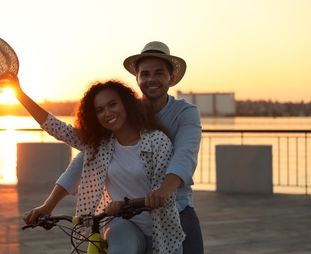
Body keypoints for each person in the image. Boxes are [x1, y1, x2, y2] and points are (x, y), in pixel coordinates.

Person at [24, 41, 204, 254]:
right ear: (137, 79)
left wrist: (163, 192)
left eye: (159, 73)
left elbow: (185, 154)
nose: (151, 79)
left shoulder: (182, 116)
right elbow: (85, 156)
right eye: (145, 74)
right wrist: (48, 205)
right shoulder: (124, 115)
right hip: (124, 217)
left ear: (171, 77)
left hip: (174, 207)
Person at [8, 76, 184, 254]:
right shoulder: (100, 145)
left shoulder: (157, 140)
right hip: (123, 224)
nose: (107, 113)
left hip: (163, 231)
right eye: (100, 110)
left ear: (126, 104)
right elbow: (57, 128)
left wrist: (124, 204)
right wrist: (19, 94)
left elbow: (165, 195)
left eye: (112, 104)